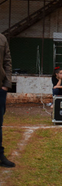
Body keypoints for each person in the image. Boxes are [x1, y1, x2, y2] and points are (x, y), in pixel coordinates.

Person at [0, 34, 14, 168]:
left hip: (0, 89)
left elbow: (7, 62)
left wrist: (6, 85)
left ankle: (0, 155)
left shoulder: (3, 39)